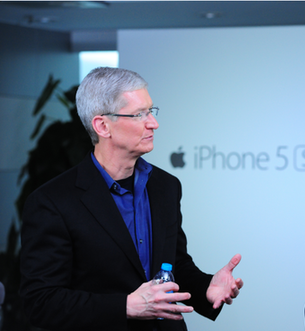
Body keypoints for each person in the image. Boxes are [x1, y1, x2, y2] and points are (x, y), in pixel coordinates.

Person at [20, 67, 243, 331]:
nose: (153, 123)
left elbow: (174, 266)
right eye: (139, 114)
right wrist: (125, 306)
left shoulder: (166, 186)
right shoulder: (52, 202)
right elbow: (41, 303)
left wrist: (206, 288)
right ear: (102, 126)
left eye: (151, 110)